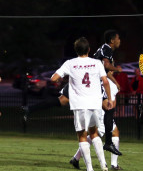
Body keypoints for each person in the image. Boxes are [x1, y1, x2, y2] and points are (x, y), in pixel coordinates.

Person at [51, 37, 112, 171]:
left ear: (76, 50)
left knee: (82, 135)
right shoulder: (97, 63)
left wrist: (60, 80)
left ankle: (89, 168)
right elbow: (105, 82)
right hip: (95, 103)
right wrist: (110, 99)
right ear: (89, 50)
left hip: (79, 104)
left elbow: (54, 78)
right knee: (94, 133)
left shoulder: (70, 63)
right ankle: (103, 165)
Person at [93, 29, 123, 155]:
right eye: (118, 38)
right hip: (95, 82)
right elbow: (106, 65)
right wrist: (117, 69)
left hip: (94, 80)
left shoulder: (105, 49)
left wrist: (115, 82)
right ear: (112, 40)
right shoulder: (107, 49)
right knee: (109, 107)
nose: (119, 40)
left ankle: (76, 158)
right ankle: (108, 143)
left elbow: (105, 71)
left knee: (94, 132)